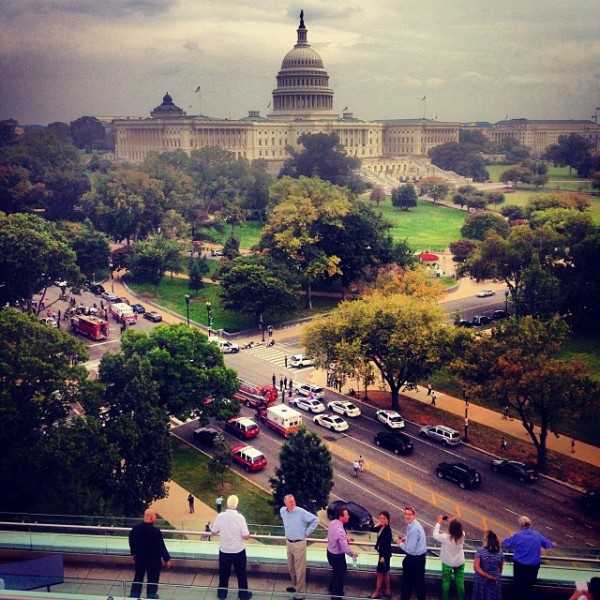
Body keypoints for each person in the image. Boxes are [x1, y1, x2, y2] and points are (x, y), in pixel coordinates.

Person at [502, 515, 558, 598]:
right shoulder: (537, 535)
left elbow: (506, 543)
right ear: (530, 525)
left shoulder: (518, 535)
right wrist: (553, 544)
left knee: (518, 588)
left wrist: (510, 536)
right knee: (529, 588)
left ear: (521, 526)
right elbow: (546, 544)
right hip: (533, 567)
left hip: (520, 567)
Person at [210, 495, 252, 600]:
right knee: (241, 575)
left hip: (224, 551)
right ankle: (243, 595)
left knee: (223, 574)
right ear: (236, 505)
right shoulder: (240, 518)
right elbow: (246, 536)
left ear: (227, 505)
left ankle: (222, 594)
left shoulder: (220, 516)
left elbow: (214, 531)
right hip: (238, 552)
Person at [279, 494, 320, 599]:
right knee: (291, 568)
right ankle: (295, 586)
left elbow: (316, 520)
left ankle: (300, 595)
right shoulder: (282, 511)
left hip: (299, 544)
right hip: (289, 544)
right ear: (286, 504)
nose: (293, 503)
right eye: (290, 502)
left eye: (294, 501)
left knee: (300, 570)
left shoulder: (301, 512)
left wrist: (307, 532)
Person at [128, 508, 171, 600]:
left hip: (140, 558)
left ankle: (135, 594)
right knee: (153, 577)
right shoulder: (155, 531)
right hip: (153, 560)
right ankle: (151, 594)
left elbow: (131, 541)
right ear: (151, 517)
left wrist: (133, 554)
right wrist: (166, 559)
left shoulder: (136, 529)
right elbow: (161, 546)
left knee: (138, 576)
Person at [327, 506, 358, 600]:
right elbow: (345, 548)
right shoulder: (340, 531)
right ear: (341, 517)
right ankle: (336, 596)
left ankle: (331, 588)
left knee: (337, 572)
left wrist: (346, 539)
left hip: (330, 553)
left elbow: (336, 538)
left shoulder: (332, 523)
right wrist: (353, 554)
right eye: (347, 515)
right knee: (339, 576)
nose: (348, 516)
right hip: (337, 557)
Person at [397, 506, 427, 600]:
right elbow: (415, 541)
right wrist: (407, 540)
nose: (407, 516)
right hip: (420, 559)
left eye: (409, 514)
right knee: (419, 584)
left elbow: (410, 550)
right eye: (406, 514)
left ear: (414, 515)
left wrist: (400, 543)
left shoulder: (413, 529)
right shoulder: (415, 525)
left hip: (414, 560)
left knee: (407, 584)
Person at [432, 515, 465, 600]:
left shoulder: (445, 537)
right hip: (459, 562)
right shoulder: (462, 535)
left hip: (447, 562)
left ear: (451, 528)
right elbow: (457, 530)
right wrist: (452, 522)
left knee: (446, 583)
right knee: (460, 584)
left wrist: (439, 522)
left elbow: (435, 535)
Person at [471, 530, 504, 600]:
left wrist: (488, 576)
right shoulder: (500, 552)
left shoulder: (480, 551)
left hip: (482, 580)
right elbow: (500, 567)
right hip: (495, 579)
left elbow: (476, 568)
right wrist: (495, 576)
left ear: (486, 540)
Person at [370, 511, 392, 599]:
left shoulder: (387, 530)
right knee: (385, 573)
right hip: (384, 554)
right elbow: (371, 529)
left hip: (384, 555)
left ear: (388, 520)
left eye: (384, 518)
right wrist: (379, 523)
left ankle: (377, 592)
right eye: (381, 518)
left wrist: (382, 557)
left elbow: (386, 545)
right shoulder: (382, 527)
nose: (382, 520)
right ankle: (388, 591)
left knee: (379, 574)